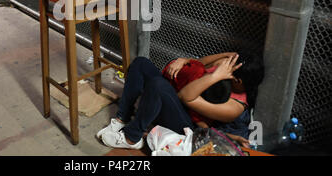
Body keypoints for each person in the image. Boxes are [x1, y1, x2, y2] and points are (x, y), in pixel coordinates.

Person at [96, 52, 264, 149]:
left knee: (158, 85)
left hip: (188, 122)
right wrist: (184, 60)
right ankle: (121, 118)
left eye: (229, 67)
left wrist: (215, 76)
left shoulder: (235, 106)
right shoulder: (226, 63)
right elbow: (198, 64)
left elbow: (185, 97)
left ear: (239, 82)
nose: (224, 65)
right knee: (141, 63)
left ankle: (132, 138)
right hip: (176, 97)